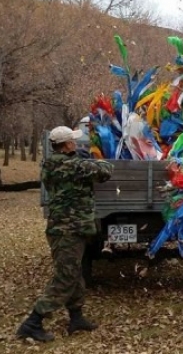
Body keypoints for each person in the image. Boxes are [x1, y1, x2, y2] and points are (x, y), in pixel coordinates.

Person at [16, 126, 113, 342]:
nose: (77, 144)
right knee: (65, 277)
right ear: (67, 145)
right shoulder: (74, 166)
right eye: (74, 142)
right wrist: (94, 161)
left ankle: (76, 317)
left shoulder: (50, 164)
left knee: (74, 273)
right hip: (68, 230)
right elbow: (106, 171)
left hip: (65, 228)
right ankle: (33, 322)